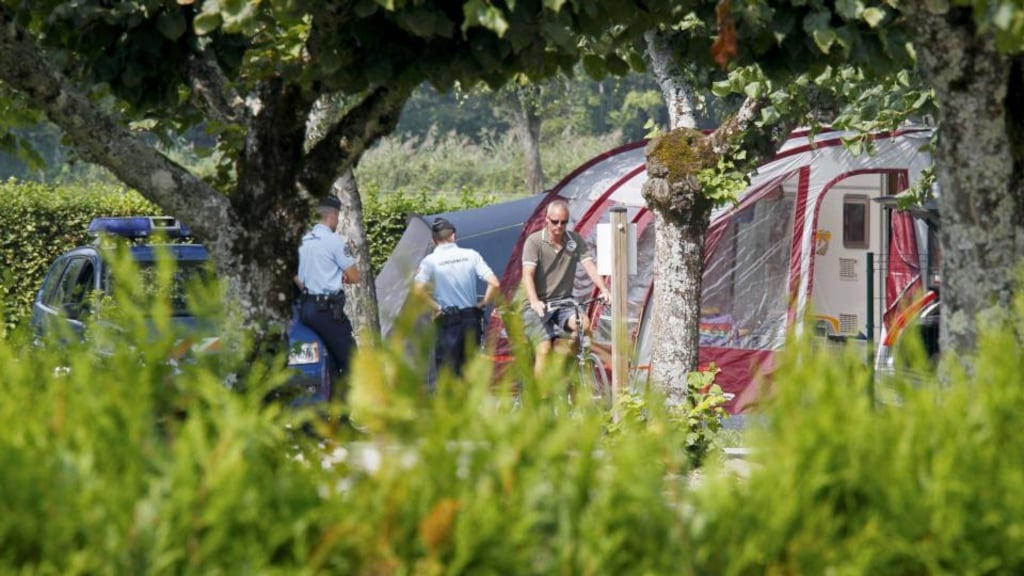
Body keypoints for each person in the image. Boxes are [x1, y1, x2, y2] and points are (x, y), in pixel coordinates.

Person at [521, 199, 610, 376]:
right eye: (555, 222)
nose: (559, 226)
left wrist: (604, 289)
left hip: (563, 302)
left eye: (564, 222)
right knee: (544, 349)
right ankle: (540, 401)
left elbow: (590, 267)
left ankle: (561, 364)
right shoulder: (535, 242)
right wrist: (534, 301)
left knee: (584, 325)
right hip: (537, 304)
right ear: (547, 219)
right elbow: (527, 275)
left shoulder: (574, 241)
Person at [413, 217, 500, 378]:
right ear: (453, 236)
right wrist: (483, 303)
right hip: (470, 319)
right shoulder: (471, 255)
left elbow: (417, 291)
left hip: (448, 322)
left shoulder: (430, 261)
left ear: (434, 241)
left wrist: (436, 307)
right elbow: (494, 283)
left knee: (447, 374)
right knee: (471, 371)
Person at [296, 196, 360, 398]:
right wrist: (339, 277)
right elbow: (354, 276)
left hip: (307, 308)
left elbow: (295, 275)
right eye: (338, 217)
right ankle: (342, 415)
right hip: (327, 311)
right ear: (332, 215)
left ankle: (325, 409)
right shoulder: (333, 242)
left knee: (328, 361)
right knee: (352, 361)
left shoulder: (303, 242)